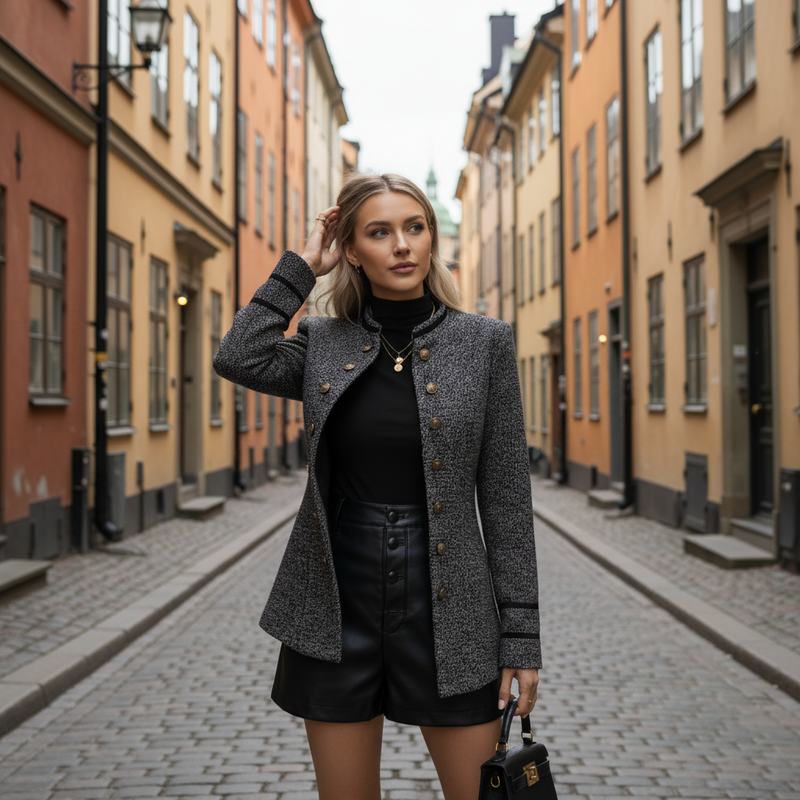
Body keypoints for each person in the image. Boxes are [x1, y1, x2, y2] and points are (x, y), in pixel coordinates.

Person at [213, 172, 541, 800]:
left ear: (432, 238)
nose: (402, 245)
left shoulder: (485, 342)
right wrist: (304, 267)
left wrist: (521, 636)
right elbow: (239, 354)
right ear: (353, 250)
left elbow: (504, 497)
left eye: (414, 228)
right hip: (338, 600)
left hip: (453, 604)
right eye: (380, 232)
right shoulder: (324, 343)